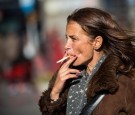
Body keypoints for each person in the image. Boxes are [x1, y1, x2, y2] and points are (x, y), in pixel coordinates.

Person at [38, 7, 135, 115]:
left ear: (97, 42)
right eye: (67, 38)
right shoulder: (65, 78)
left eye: (74, 39)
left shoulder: (125, 80)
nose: (66, 46)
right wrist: (55, 92)